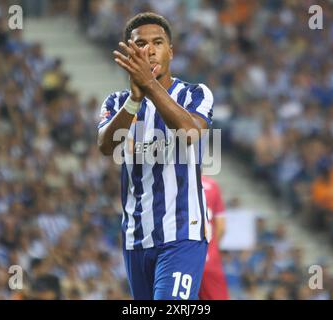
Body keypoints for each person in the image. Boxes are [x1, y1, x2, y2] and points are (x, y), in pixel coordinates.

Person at [97, 12, 213, 300]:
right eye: (140, 44)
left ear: (170, 51)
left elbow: (189, 132)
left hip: (183, 234)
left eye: (157, 42)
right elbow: (106, 146)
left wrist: (149, 86)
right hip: (136, 237)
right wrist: (135, 100)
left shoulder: (195, 94)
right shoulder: (116, 102)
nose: (148, 50)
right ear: (129, 53)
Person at [199, 176, 230, 300]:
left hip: (181, 259)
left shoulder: (174, 182)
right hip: (209, 259)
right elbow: (221, 227)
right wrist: (212, 248)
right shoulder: (211, 185)